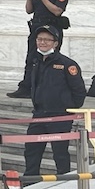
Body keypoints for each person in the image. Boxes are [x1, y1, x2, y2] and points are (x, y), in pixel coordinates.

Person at [23, 26, 86, 177]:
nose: (42, 43)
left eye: (46, 40)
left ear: (55, 43)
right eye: (39, 39)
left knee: (60, 152)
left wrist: (67, 107)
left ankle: (63, 180)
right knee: (32, 149)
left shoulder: (67, 64)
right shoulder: (35, 61)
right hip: (39, 114)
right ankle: (30, 179)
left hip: (59, 116)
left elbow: (79, 91)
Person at [9, 0, 70, 98]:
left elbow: (57, 11)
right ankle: (26, 87)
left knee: (50, 58)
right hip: (36, 29)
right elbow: (29, 10)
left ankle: (48, 87)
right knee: (31, 58)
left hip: (51, 30)